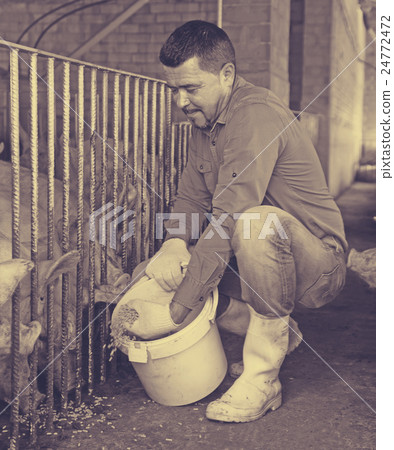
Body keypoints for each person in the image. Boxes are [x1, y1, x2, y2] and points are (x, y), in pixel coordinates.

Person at [132, 20, 347, 423]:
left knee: (254, 223)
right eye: (173, 89)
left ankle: (263, 379)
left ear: (226, 75)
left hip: (318, 268)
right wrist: (174, 244)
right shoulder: (206, 123)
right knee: (179, 266)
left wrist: (174, 312)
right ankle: (287, 334)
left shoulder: (256, 114)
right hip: (264, 261)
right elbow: (191, 197)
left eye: (190, 88)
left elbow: (231, 214)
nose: (180, 101)